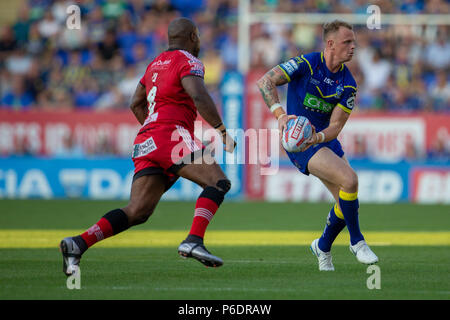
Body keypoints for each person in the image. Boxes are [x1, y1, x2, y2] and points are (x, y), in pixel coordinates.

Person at [60, 17, 236, 275]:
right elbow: (198, 94)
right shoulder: (189, 61)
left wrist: (154, 133)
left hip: (147, 139)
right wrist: (221, 130)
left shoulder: (154, 65)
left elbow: (135, 102)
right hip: (170, 134)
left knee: (138, 211)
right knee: (218, 182)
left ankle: (78, 243)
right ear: (194, 37)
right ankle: (193, 240)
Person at [256, 20, 378, 271]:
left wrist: (319, 137)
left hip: (322, 139)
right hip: (299, 143)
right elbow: (265, 81)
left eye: (354, 42)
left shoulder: (348, 84)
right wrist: (280, 115)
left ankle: (322, 247)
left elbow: (336, 126)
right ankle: (358, 242)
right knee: (351, 180)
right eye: (348, 42)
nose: (353, 47)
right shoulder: (306, 64)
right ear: (330, 44)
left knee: (346, 201)